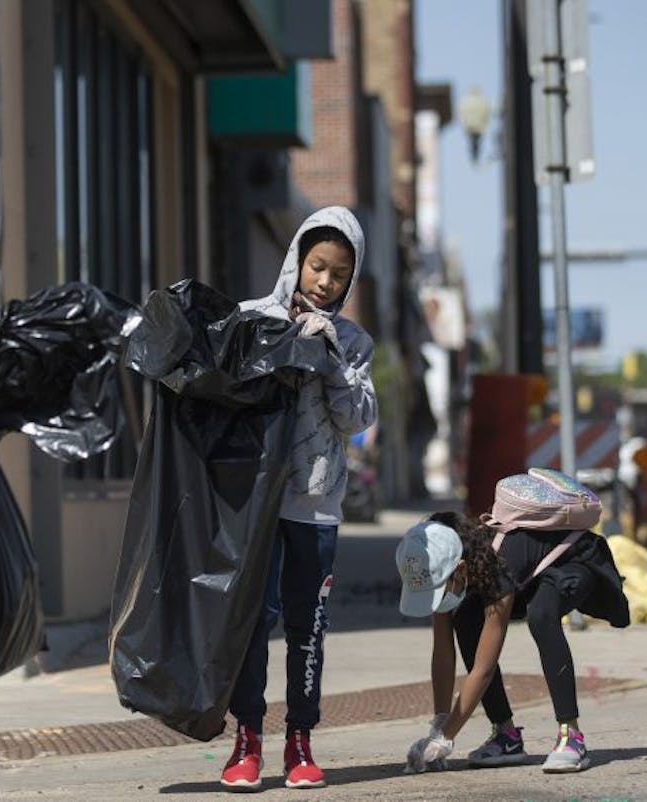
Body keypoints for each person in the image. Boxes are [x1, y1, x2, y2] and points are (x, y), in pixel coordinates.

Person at [219, 206, 378, 791]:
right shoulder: (249, 317)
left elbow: (357, 418)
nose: (324, 283)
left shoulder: (354, 340)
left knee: (308, 626)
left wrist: (331, 355)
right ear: (297, 260)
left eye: (339, 274)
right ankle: (247, 740)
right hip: (251, 502)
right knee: (252, 622)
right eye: (316, 267)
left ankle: (300, 740)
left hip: (314, 504)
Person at [394, 469, 630, 777]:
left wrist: (446, 737)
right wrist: (438, 723)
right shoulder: (444, 562)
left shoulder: (498, 564)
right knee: (465, 619)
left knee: (541, 614)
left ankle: (571, 735)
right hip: (532, 569)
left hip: (574, 559)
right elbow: (442, 652)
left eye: (440, 589)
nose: (437, 600)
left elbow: (485, 666)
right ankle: (506, 736)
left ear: (461, 570)